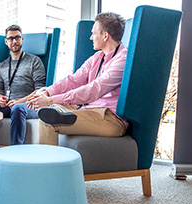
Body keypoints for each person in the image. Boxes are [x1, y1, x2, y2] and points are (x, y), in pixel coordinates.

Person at [27, 12, 127, 145]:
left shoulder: (122, 60)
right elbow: (73, 80)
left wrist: (50, 99)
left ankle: (48, 166)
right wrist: (47, 93)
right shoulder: (97, 57)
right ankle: (55, 163)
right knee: (52, 108)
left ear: (105, 36)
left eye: (94, 33)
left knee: (49, 120)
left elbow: (94, 90)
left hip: (110, 119)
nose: (91, 38)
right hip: (91, 111)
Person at [0, 24, 46, 152]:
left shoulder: (34, 61)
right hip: (9, 105)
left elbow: (40, 90)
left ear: (22, 39)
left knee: (18, 108)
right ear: (6, 41)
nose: (14, 41)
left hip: (29, 105)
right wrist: (0, 100)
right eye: (10, 38)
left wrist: (19, 101)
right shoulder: (0, 67)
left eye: (17, 37)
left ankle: (16, 153)